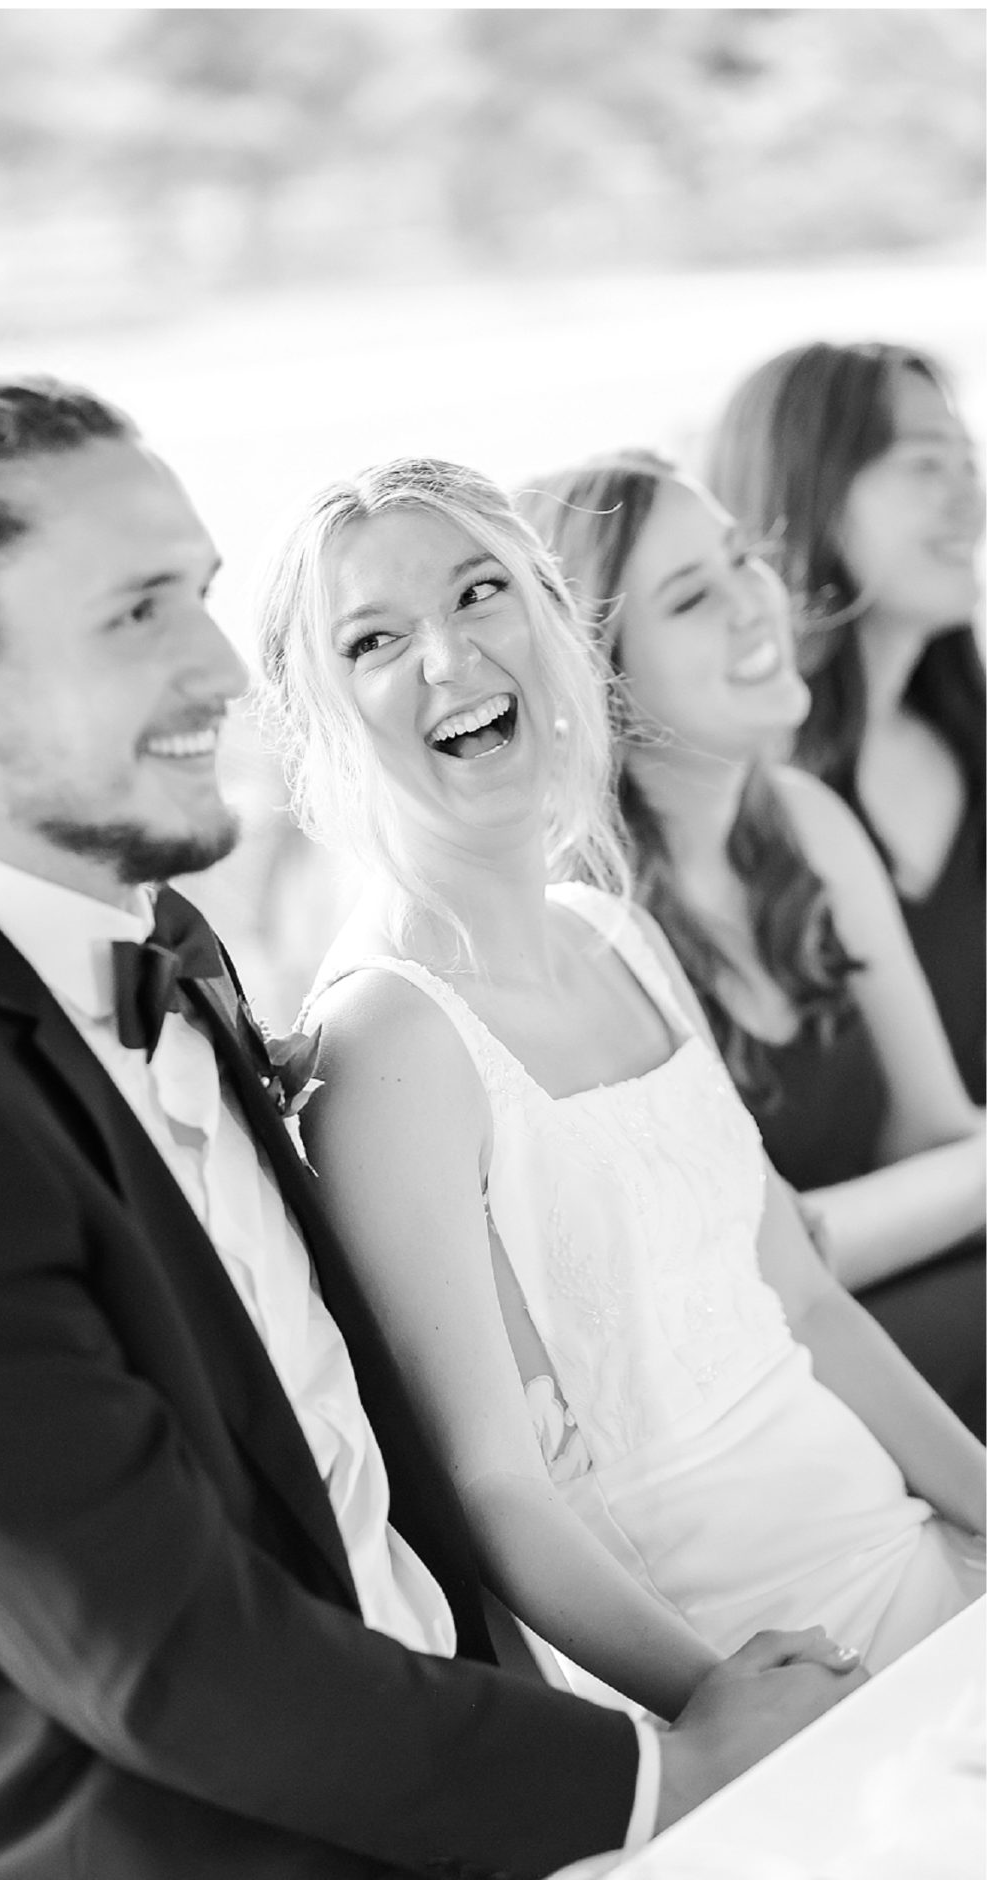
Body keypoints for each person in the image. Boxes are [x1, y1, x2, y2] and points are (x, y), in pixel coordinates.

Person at [0, 368, 868, 1880]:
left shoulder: (154, 944)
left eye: (197, 594)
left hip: (455, 1769)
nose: (218, 665)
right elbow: (178, 1668)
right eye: (137, 615)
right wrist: (679, 1766)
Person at [264, 456, 981, 1724]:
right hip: (744, 1666)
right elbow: (500, 1485)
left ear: (551, 619)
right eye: (374, 638)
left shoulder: (613, 930)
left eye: (480, 593)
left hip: (906, 1550)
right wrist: (720, 1703)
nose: (447, 656)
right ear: (319, 719)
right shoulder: (389, 1041)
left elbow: (805, 1300)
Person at [521, 452, 985, 1433]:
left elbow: (937, 1128)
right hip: (763, 1383)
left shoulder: (804, 819)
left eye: (744, 560)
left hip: (901, 1288)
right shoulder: (585, 922)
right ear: (594, 673)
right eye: (691, 598)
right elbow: (766, 1254)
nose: (753, 605)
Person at [707, 342, 986, 1101]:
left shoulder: (970, 743)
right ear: (814, 492)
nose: (972, 496)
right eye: (927, 464)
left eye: (969, 461)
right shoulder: (737, 799)